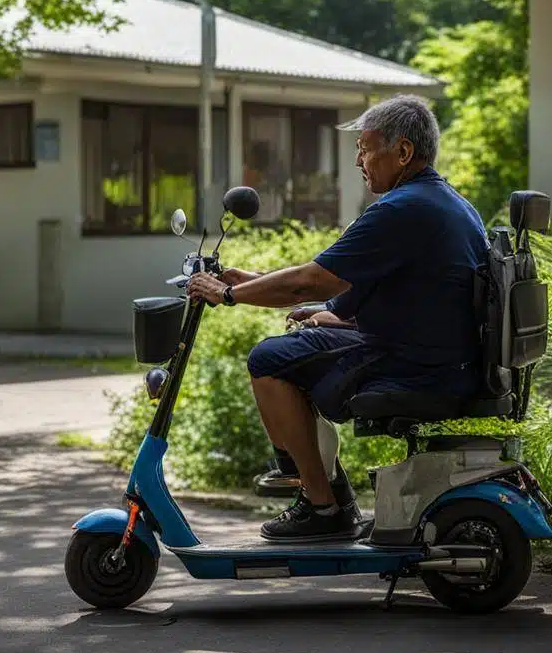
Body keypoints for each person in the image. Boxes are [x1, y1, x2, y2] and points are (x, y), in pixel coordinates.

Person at [186, 94, 488, 542]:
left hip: (414, 366)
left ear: (402, 153)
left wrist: (229, 294)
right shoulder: (442, 203)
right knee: (296, 348)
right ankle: (329, 493)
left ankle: (321, 505)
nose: (358, 162)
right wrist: (253, 281)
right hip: (436, 356)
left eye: (365, 149)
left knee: (270, 360)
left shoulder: (401, 210)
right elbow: (348, 286)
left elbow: (310, 281)